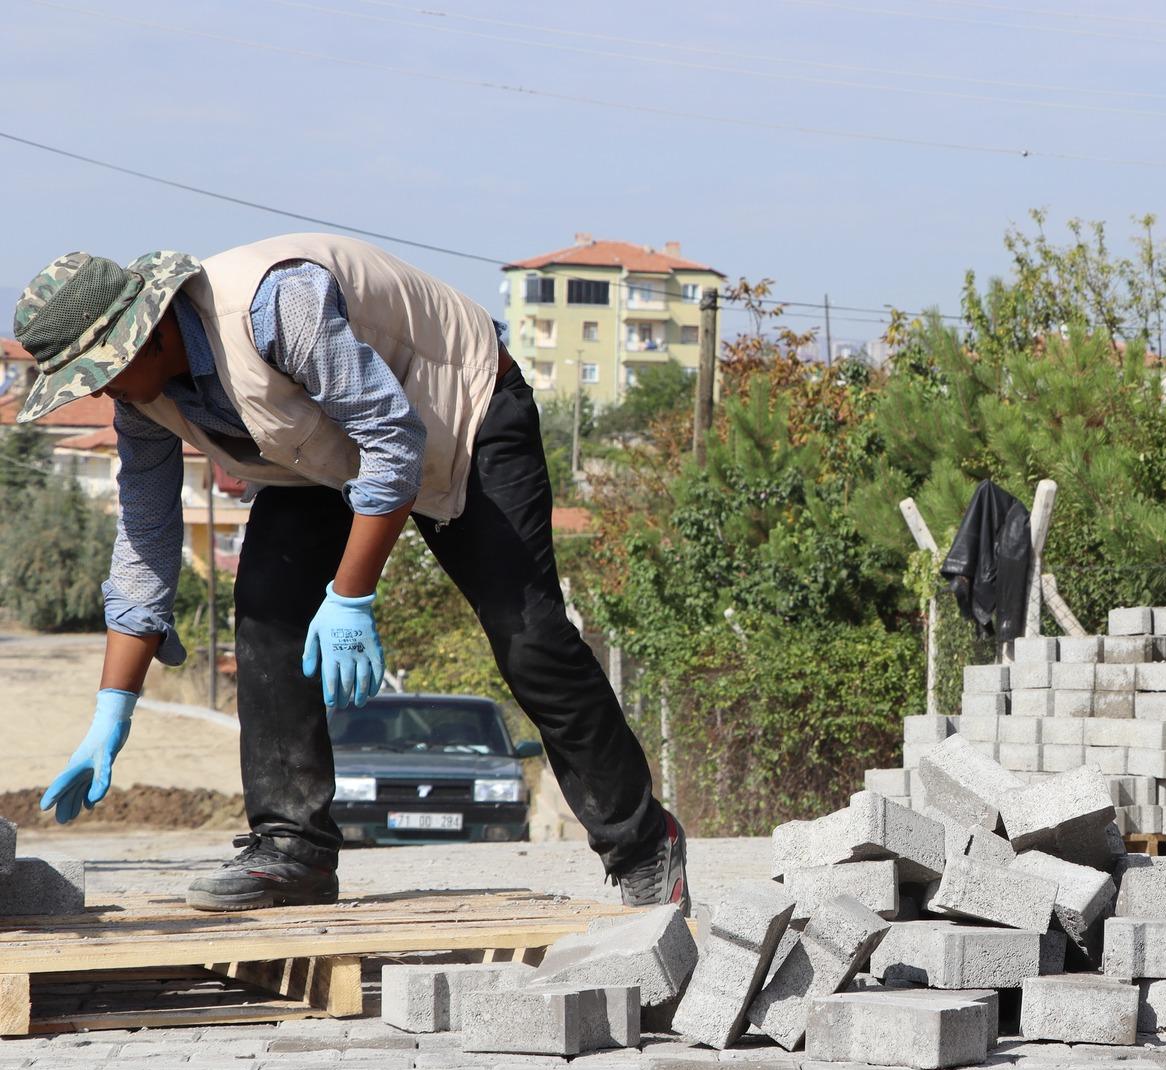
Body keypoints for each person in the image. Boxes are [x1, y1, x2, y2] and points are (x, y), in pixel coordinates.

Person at [11, 235, 687, 912]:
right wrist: (112, 710)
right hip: (330, 449)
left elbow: (394, 438)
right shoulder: (142, 401)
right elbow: (145, 539)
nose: (97, 392)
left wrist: (350, 597)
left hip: (464, 410)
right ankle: (293, 848)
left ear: (147, 333)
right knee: (268, 607)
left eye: (99, 371)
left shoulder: (277, 306)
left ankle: (642, 842)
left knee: (527, 633)